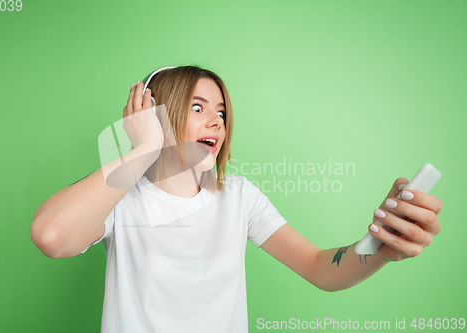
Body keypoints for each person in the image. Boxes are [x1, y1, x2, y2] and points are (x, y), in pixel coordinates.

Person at [30, 65, 442, 333]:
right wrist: (140, 151)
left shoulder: (240, 197)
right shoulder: (119, 197)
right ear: (154, 115)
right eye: (197, 107)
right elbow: (50, 235)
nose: (216, 121)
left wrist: (381, 251)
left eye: (222, 113)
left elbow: (321, 269)